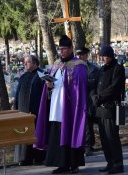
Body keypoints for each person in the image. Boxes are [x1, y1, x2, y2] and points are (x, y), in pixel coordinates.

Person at [34, 35, 88, 174]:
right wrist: (49, 84)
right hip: (55, 107)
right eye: (60, 49)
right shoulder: (57, 64)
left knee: (71, 133)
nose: (61, 52)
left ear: (71, 49)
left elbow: (79, 88)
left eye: (64, 49)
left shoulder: (79, 66)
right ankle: (61, 164)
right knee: (57, 135)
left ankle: (73, 164)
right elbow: (51, 86)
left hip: (70, 108)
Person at [91, 45, 125, 174]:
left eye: (104, 56)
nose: (103, 59)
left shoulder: (118, 69)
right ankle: (109, 162)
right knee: (104, 139)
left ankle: (118, 164)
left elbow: (115, 87)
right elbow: (94, 84)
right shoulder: (101, 70)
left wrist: (99, 97)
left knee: (112, 137)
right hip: (100, 109)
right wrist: (94, 96)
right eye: (101, 57)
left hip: (110, 108)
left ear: (110, 56)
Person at [14, 55, 46, 166]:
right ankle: (24, 158)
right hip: (23, 111)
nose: (25, 64)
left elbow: (46, 93)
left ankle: (38, 158)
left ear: (35, 63)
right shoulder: (23, 76)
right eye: (25, 62)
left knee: (35, 135)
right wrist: (16, 108)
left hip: (36, 111)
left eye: (28, 62)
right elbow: (18, 93)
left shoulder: (42, 75)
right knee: (24, 134)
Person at [75, 47, 99, 156]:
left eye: (82, 55)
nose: (80, 57)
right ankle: (83, 145)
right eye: (78, 55)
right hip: (77, 99)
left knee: (88, 124)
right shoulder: (73, 67)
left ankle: (88, 146)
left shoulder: (93, 69)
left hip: (88, 99)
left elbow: (92, 84)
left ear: (86, 56)